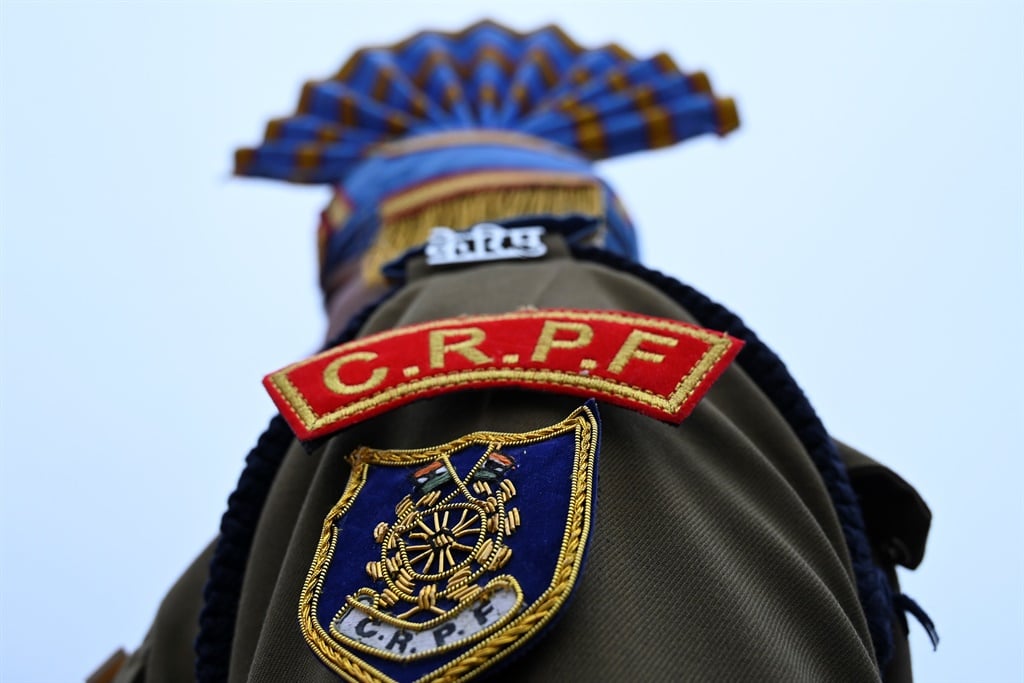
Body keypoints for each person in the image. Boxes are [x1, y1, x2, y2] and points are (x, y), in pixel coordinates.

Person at [90, 20, 933, 683]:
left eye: (337, 273)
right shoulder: (259, 532)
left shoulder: (479, 313)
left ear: (389, 248)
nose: (333, 310)